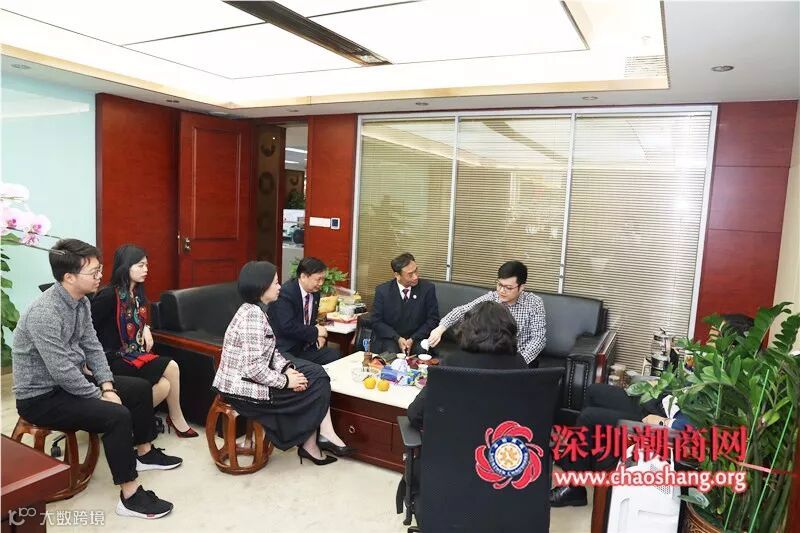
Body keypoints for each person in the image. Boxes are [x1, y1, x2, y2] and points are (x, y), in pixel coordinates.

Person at [12, 239, 181, 519]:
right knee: (116, 415)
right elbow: (61, 370)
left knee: (138, 388)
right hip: (41, 397)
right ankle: (130, 496)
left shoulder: (80, 303)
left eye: (100, 269)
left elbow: (92, 347)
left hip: (69, 383)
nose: (100, 276)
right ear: (69, 277)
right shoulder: (44, 313)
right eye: (93, 272)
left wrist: (107, 384)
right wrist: (101, 396)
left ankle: (144, 452)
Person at [550, 313, 755, 507]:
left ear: (732, 344)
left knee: (589, 417)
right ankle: (585, 461)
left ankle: (575, 488)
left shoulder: (731, 385)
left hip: (658, 420)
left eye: (714, 338)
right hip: (657, 402)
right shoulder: (714, 365)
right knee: (595, 391)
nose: (708, 342)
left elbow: (699, 426)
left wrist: (664, 422)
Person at [213, 261, 355, 465]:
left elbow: (271, 353)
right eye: (275, 283)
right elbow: (253, 368)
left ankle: (313, 441)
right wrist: (286, 381)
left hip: (253, 379)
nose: (280, 287)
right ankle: (313, 441)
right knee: (315, 380)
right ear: (262, 287)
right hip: (242, 390)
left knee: (314, 374)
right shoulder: (253, 316)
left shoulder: (255, 310)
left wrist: (288, 369)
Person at [91, 244, 197, 437]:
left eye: (146, 265)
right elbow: (87, 329)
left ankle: (128, 424)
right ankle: (175, 418)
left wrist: (146, 327)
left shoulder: (137, 293)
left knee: (164, 386)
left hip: (133, 354)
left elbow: (137, 319)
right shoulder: (109, 296)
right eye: (140, 265)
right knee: (171, 366)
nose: (146, 269)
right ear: (126, 266)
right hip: (113, 358)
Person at [407, 301, 528, 429]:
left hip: (455, 439)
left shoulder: (452, 363)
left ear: (468, 329)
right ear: (509, 330)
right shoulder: (519, 363)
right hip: (501, 440)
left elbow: (416, 414)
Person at [427, 260, 546, 366]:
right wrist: (440, 328)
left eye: (508, 288)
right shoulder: (492, 298)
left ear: (521, 287)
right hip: (491, 357)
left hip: (519, 358)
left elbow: (538, 339)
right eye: (499, 284)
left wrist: (519, 362)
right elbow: (462, 310)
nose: (501, 290)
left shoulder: (534, 303)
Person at [268, 257, 340, 365]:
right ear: (303, 277)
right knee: (313, 369)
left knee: (335, 355)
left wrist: (318, 336)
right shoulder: (285, 294)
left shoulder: (315, 293)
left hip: (304, 347)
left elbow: (310, 320)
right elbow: (287, 326)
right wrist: (315, 332)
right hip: (286, 349)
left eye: (323, 279)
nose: (321, 283)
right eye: (318, 279)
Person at [370, 253, 439, 356]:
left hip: (417, 337)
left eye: (416, 270)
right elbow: (376, 321)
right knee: (391, 353)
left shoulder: (427, 289)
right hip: (391, 337)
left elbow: (433, 319)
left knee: (421, 352)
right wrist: (397, 338)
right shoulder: (383, 291)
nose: (415, 276)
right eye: (410, 274)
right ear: (397, 275)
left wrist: (413, 338)